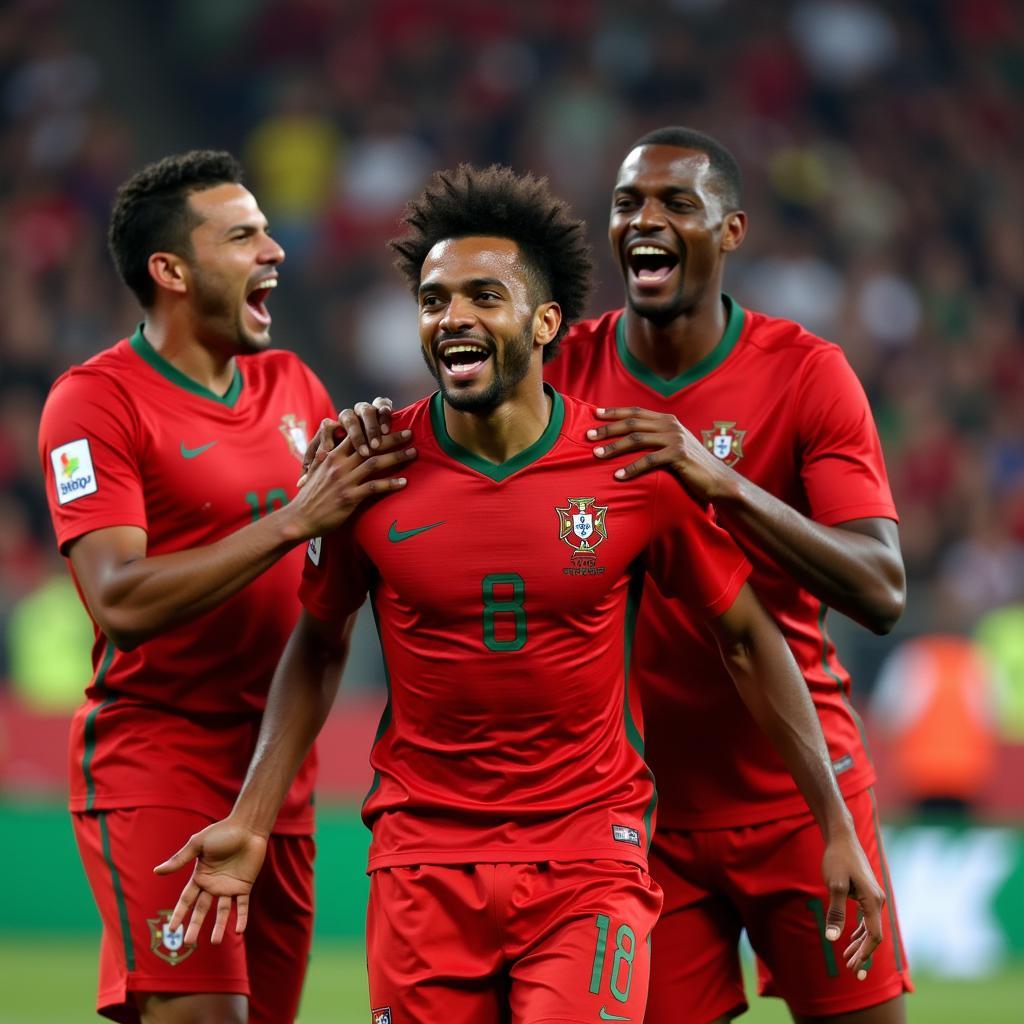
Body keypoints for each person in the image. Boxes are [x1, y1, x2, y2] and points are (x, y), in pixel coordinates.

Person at [157, 165, 883, 1023]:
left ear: (543, 324)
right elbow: (318, 647)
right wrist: (251, 817)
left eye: (482, 297)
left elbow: (748, 640)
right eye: (432, 301)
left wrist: (833, 820)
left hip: (589, 856)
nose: (452, 318)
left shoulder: (630, 468)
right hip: (421, 859)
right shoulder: (371, 469)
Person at [36, 150, 414, 1024]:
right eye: (244, 236)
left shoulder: (295, 385)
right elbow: (119, 601)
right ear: (171, 270)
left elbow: (344, 561)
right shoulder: (95, 403)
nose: (275, 250)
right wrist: (289, 519)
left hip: (280, 767)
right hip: (159, 756)